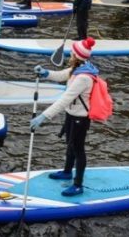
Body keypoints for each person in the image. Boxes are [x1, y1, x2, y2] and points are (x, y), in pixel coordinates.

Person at [30, 37, 99, 197]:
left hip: (80, 119)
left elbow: (64, 100)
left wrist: (43, 117)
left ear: (77, 55)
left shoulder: (83, 77)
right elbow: (61, 75)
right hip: (71, 114)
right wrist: (46, 73)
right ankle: (67, 171)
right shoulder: (78, 68)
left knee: (78, 149)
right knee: (70, 144)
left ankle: (78, 185)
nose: (69, 54)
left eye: (72, 52)